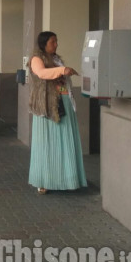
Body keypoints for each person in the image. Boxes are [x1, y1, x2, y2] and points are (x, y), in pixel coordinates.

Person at [27, 31, 86, 195]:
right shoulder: (37, 59)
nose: (56, 44)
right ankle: (44, 180)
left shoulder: (56, 59)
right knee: (47, 144)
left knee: (66, 140)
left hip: (64, 102)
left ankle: (67, 179)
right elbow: (41, 73)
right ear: (44, 43)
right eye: (53, 41)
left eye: (56, 41)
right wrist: (62, 70)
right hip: (48, 105)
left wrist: (62, 69)